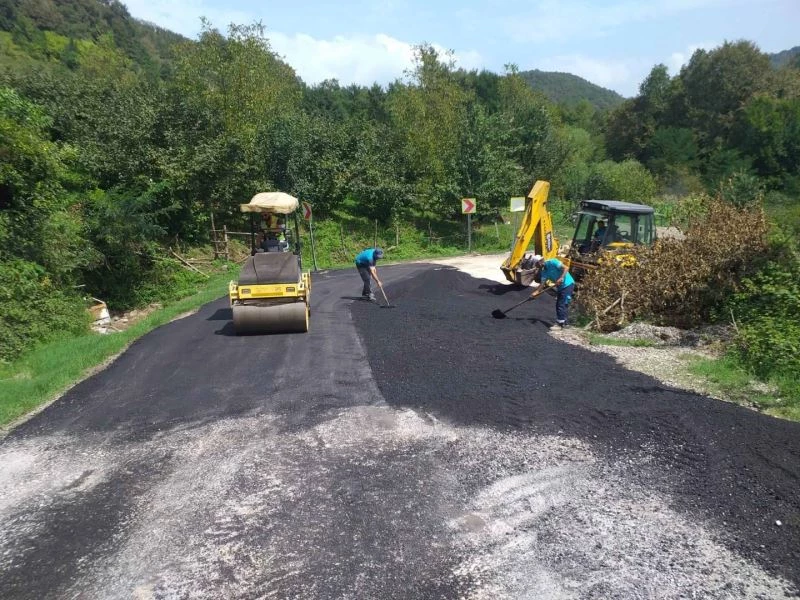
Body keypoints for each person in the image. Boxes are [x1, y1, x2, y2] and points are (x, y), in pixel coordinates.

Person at [532, 254, 575, 328]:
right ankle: (564, 322)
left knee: (561, 304)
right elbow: (542, 285)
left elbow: (566, 268)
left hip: (568, 283)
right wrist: (535, 293)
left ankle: (560, 324)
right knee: (562, 303)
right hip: (561, 287)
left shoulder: (553, 262)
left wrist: (561, 278)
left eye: (536, 264)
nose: (535, 267)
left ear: (539, 262)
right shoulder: (544, 272)